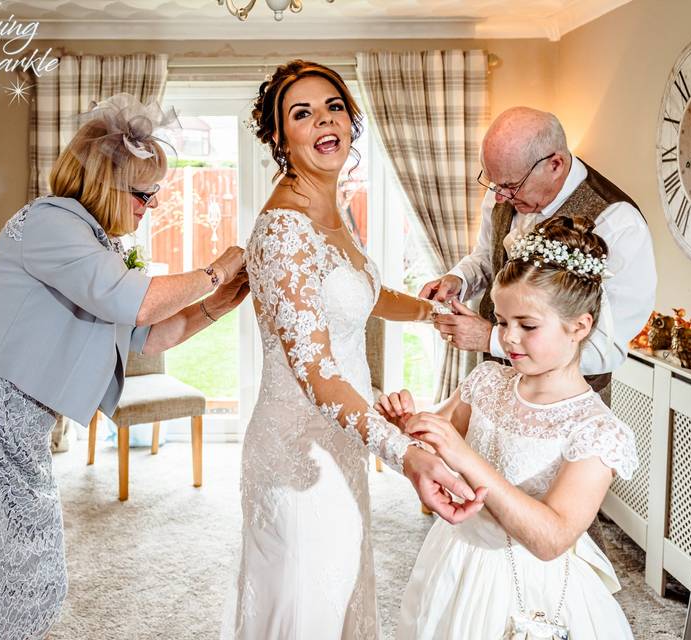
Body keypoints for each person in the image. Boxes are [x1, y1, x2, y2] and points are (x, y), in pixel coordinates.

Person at [0, 94, 250, 640]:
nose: (150, 207)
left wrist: (217, 305)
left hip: (16, 433)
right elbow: (136, 302)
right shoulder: (50, 221)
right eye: (143, 194)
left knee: (26, 576)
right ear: (106, 184)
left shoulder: (95, 247)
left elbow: (147, 335)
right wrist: (215, 272)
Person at [223, 60, 486, 640]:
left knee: (341, 589)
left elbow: (361, 292)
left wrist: (429, 310)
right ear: (279, 137)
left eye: (333, 106)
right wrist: (408, 455)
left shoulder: (331, 207)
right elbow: (318, 377)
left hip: (342, 434)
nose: (323, 120)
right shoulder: (282, 231)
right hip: (297, 452)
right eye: (302, 113)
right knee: (305, 603)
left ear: (351, 119)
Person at [382, 216, 638, 639]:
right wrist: (407, 426)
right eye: (501, 322)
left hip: (531, 590)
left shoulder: (596, 430)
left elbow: (551, 538)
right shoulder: (486, 382)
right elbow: (428, 452)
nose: (509, 338)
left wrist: (462, 455)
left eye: (528, 325)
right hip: (456, 559)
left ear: (579, 326)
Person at [420, 107, 655, 400]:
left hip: (565, 409)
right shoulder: (502, 192)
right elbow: (487, 258)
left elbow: (606, 349)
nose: (499, 196)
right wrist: (458, 280)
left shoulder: (618, 223)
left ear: (555, 164)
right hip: (496, 391)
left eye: (509, 185)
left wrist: (491, 338)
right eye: (493, 183)